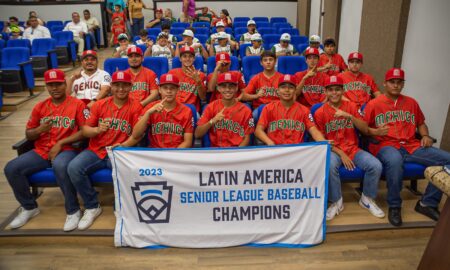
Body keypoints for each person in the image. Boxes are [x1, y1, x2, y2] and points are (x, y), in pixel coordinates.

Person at [364, 68, 450, 227]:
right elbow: (364, 129)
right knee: (395, 161)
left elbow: (421, 123)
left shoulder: (411, 102)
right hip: (386, 145)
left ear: (403, 84)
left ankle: (427, 203)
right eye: (392, 82)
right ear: (385, 83)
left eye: (399, 82)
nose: (395, 85)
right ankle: (395, 206)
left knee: (447, 160)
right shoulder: (373, 104)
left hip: (412, 145)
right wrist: (375, 131)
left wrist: (425, 136)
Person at [4, 69, 88, 231]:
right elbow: (29, 134)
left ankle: (73, 210)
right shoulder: (39, 107)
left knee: (60, 165)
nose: (54, 88)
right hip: (42, 150)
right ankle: (29, 207)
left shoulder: (77, 104)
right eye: (50, 85)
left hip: (67, 149)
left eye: (58, 84)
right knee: (12, 168)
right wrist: (39, 130)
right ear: (47, 87)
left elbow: (84, 132)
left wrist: (60, 143)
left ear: (65, 84)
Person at [67, 71, 143, 230]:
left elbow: (137, 136)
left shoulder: (136, 106)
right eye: (117, 85)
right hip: (96, 149)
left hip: (119, 151)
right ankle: (92, 206)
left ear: (131, 87)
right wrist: (96, 131)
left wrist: (124, 146)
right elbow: (85, 130)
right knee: (73, 167)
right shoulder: (100, 104)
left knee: (122, 170)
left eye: (125, 85)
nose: (120, 89)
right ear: (111, 87)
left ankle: (120, 207)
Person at [314, 75, 386, 221]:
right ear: (326, 92)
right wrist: (341, 154)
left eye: (337, 89)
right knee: (330, 166)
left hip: (353, 148)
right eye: (331, 90)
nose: (334, 93)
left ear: (342, 90)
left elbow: (365, 129)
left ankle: (366, 199)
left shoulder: (352, 107)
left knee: (376, 165)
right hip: (333, 150)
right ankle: (336, 201)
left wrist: (350, 116)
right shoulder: (319, 112)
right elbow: (322, 141)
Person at [122, 73, 194, 148]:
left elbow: (187, 142)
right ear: (159, 90)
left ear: (177, 90)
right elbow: (136, 134)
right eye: (165, 88)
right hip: (154, 153)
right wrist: (148, 113)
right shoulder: (150, 107)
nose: (169, 91)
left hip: (176, 153)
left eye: (172, 88)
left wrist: (173, 155)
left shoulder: (186, 111)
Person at [255, 74, 325, 146]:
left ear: (295, 90)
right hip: (275, 150)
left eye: (291, 87)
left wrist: (324, 142)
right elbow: (258, 130)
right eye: (283, 87)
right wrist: (269, 142)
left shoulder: (304, 110)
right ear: (278, 90)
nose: (287, 90)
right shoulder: (268, 108)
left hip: (296, 151)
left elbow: (314, 130)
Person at [195, 72, 254, 147]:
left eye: (231, 86)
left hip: (237, 152)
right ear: (218, 88)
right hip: (216, 152)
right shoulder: (211, 107)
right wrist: (212, 121)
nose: (227, 89)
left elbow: (247, 139)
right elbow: (197, 134)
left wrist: (235, 154)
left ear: (236, 88)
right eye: (223, 86)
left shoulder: (246, 110)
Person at [168, 46, 207, 112]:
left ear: (194, 58)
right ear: (180, 59)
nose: (187, 59)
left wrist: (198, 83)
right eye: (184, 56)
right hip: (173, 108)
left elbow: (203, 98)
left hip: (190, 110)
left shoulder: (200, 75)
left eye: (190, 56)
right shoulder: (172, 73)